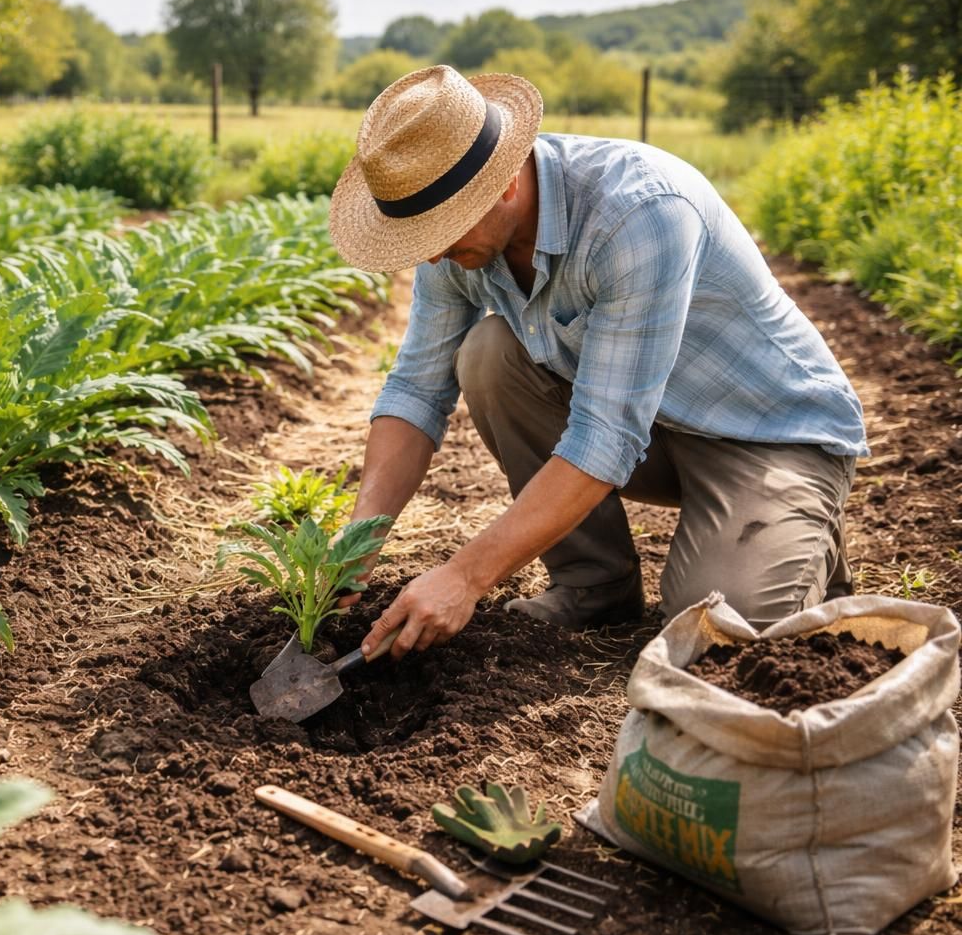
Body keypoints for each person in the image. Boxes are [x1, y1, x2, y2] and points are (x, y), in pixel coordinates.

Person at [326, 65, 867, 661]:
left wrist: (466, 576)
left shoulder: (638, 212)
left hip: (767, 436)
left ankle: (797, 525)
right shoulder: (455, 249)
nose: (431, 253)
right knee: (487, 355)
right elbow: (415, 391)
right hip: (654, 433)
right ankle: (596, 586)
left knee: (714, 639)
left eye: (443, 230)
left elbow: (605, 438)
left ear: (504, 181)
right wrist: (359, 543)